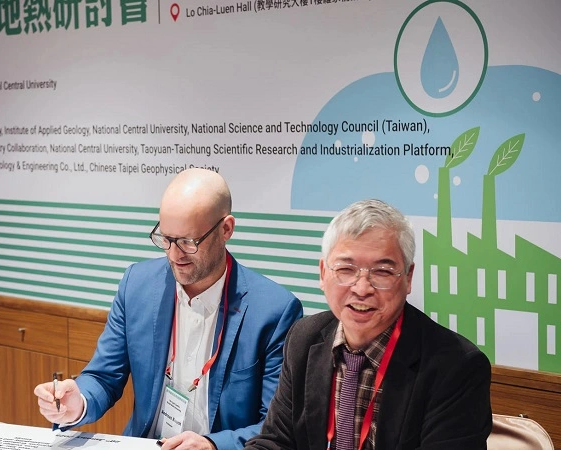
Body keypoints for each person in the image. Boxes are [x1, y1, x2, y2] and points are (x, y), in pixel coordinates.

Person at [34, 168, 303, 450]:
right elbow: (104, 376)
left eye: (188, 242)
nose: (175, 255)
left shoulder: (274, 311)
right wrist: (79, 401)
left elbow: (275, 427)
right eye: (166, 239)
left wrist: (213, 445)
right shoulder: (137, 285)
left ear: (226, 229)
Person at [245, 199, 492, 450]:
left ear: (408, 278)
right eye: (346, 269)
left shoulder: (455, 366)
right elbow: (275, 441)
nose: (362, 289)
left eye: (382, 271)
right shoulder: (304, 338)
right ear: (322, 273)